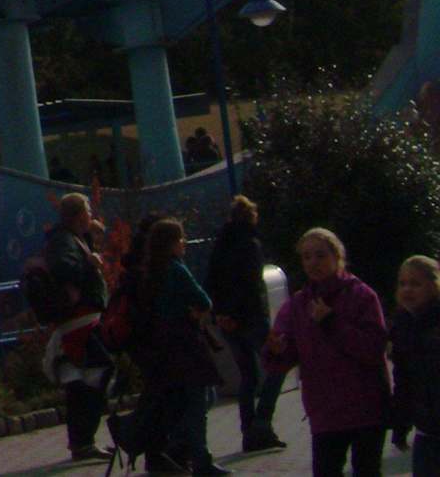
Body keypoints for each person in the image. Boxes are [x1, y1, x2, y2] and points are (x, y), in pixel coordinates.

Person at [265, 227, 390, 477]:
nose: (313, 263)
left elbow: (374, 348)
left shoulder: (361, 295)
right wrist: (276, 350)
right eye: (307, 257)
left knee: (367, 470)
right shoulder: (298, 304)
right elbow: (280, 359)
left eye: (321, 255)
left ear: (337, 257)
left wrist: (332, 323)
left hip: (365, 407)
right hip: (325, 410)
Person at [137, 217, 228, 477]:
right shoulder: (176, 269)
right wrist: (196, 311)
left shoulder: (150, 272)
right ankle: (199, 458)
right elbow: (203, 300)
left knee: (187, 400)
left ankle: (178, 447)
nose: (184, 243)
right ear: (171, 244)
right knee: (199, 401)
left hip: (163, 346)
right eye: (180, 239)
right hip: (186, 344)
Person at [206, 195, 283, 451]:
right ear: (252, 217)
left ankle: (248, 431)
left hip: (227, 320)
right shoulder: (250, 244)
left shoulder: (220, 244)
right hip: (250, 317)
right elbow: (251, 285)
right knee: (277, 363)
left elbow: (211, 282)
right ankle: (262, 423)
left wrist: (222, 314)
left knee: (247, 375)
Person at [43, 192, 113, 462]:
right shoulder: (63, 240)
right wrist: (88, 261)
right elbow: (64, 268)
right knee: (98, 372)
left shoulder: (71, 238)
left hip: (84, 320)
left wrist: (89, 238)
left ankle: (83, 440)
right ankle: (83, 439)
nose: (91, 215)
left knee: (84, 379)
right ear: (78, 214)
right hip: (79, 322)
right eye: (87, 211)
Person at [391, 256, 440, 477]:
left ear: (433, 286)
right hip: (426, 429)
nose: (407, 290)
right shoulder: (403, 323)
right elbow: (403, 378)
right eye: (403, 283)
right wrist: (401, 424)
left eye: (415, 284)